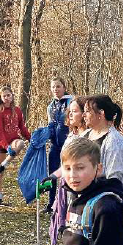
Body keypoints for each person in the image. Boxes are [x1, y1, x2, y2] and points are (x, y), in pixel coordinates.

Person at [43, 96, 88, 245]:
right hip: (67, 186)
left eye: (74, 111)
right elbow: (66, 164)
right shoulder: (71, 135)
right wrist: (53, 176)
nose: (70, 114)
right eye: (70, 111)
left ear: (84, 114)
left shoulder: (88, 138)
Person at [80, 95, 123, 197]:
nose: (83, 115)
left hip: (102, 204)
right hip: (82, 201)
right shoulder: (84, 135)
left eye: (88, 111)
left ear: (101, 113)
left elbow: (114, 181)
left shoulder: (115, 142)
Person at [0, 85, 30, 205]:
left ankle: (4, 164)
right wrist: (5, 146)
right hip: (1, 143)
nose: (7, 98)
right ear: (1, 98)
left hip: (13, 140)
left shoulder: (17, 110)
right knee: (0, 172)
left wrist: (30, 137)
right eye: (4, 96)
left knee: (20, 144)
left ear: (12, 96)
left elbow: (22, 127)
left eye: (9, 95)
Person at [46, 78, 74, 213]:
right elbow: (50, 124)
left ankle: (68, 203)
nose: (55, 89)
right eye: (53, 87)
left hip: (68, 144)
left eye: (58, 86)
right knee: (52, 173)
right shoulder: (51, 106)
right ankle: (51, 203)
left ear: (64, 87)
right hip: (55, 145)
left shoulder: (70, 102)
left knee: (67, 172)